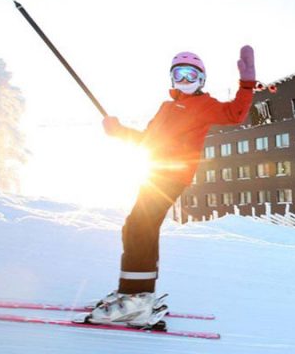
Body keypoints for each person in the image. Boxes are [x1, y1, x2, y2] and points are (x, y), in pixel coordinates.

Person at [85, 46, 256, 327]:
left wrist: (247, 83)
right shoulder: (166, 108)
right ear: (171, 78)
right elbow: (149, 140)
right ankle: (137, 294)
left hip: (172, 174)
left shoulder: (204, 104)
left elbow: (235, 113)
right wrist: (119, 131)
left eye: (192, 74)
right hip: (153, 171)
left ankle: (136, 298)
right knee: (137, 226)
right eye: (180, 74)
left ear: (202, 80)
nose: (185, 79)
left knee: (140, 226)